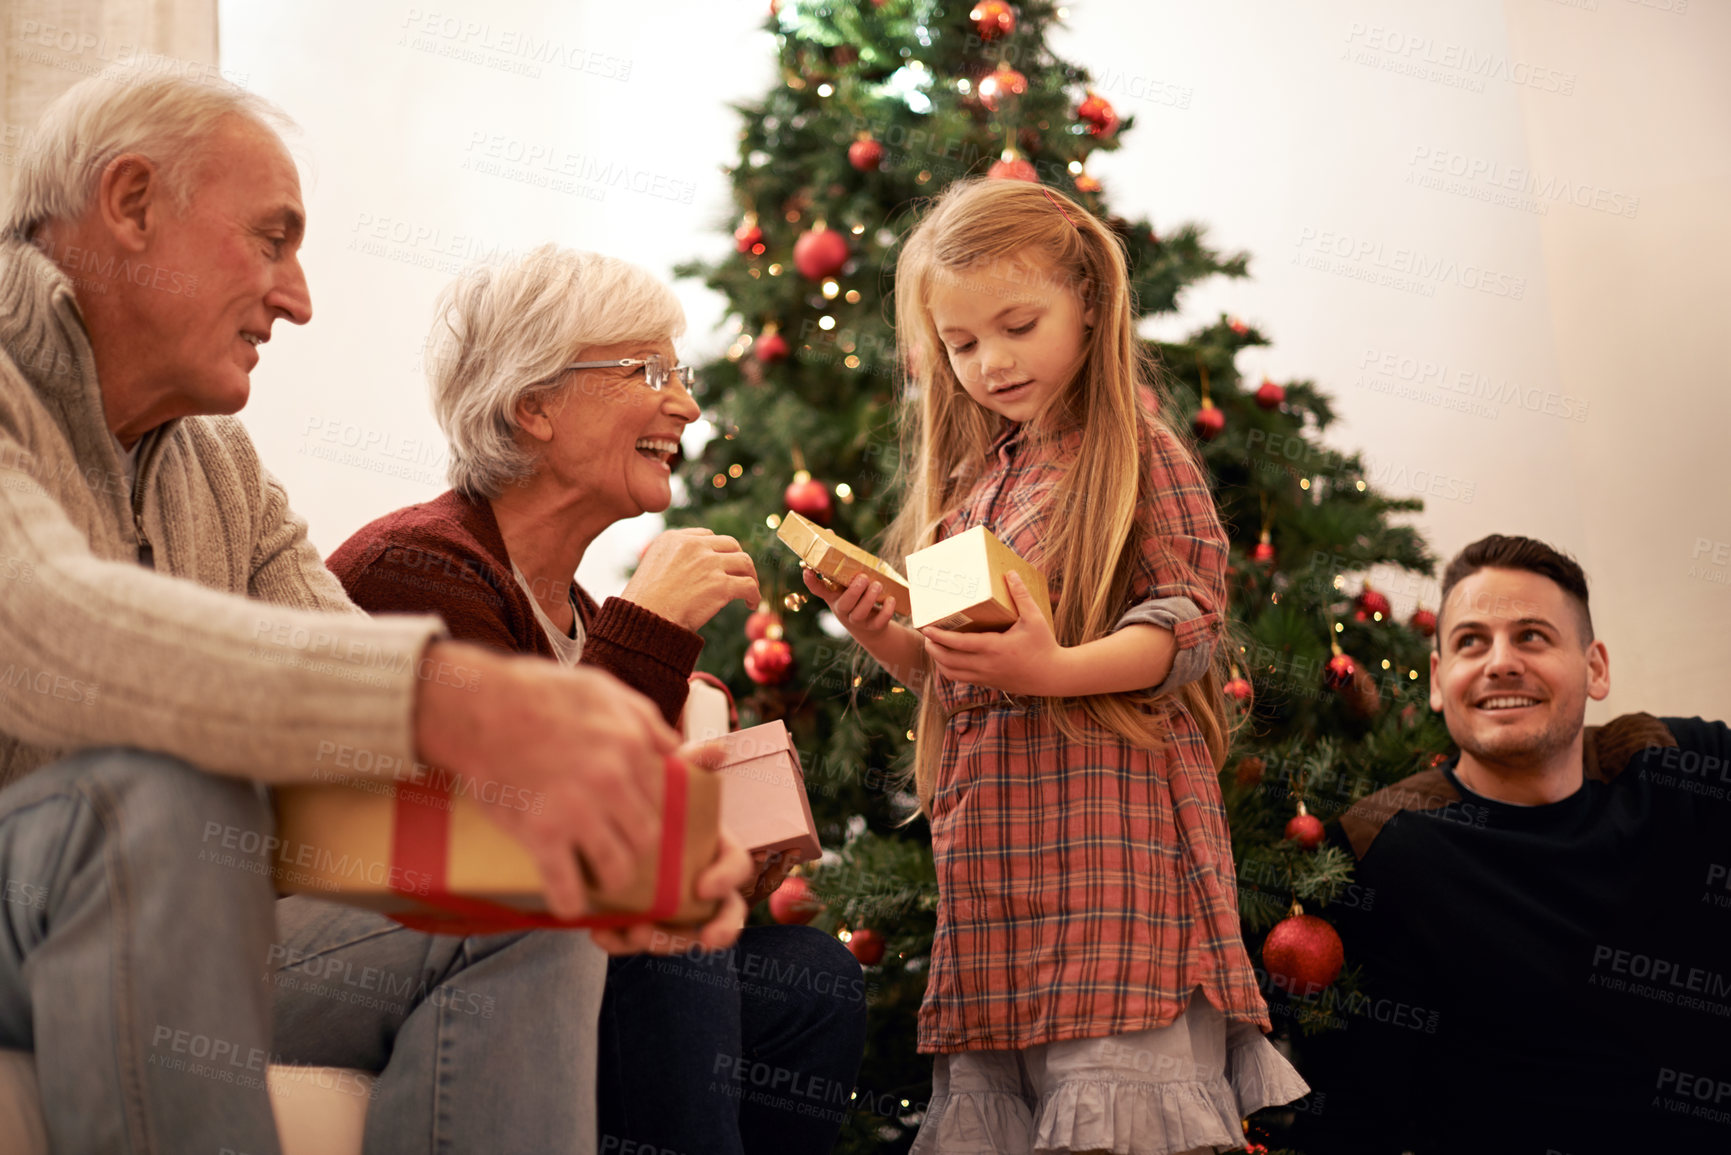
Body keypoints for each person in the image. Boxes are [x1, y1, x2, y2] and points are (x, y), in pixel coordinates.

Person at [0, 74, 747, 1155]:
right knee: (143, 798)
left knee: (536, 923)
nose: (297, 297)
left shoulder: (223, 469)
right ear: (130, 203)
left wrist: (576, 857)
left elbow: (358, 747)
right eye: (270, 240)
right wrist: (451, 695)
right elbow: (44, 623)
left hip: (196, 922)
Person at [326, 244, 869, 1155]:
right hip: (395, 948)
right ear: (532, 404)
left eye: (680, 373)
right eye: (648, 371)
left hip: (574, 946)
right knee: (662, 932)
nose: (687, 405)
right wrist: (649, 625)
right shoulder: (414, 568)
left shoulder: (575, 613)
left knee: (811, 973)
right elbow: (517, 834)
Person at [802, 178, 1308, 1154]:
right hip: (996, 878)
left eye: (1017, 324)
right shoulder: (968, 488)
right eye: (960, 345)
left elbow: (1187, 625)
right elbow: (968, 674)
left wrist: (1053, 668)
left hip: (1113, 865)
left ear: (1087, 302)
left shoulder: (1137, 455)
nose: (989, 362)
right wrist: (883, 634)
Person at [1288, 535, 1731, 1154]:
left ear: (1595, 668)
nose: (1500, 662)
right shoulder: (1380, 846)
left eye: (1532, 636)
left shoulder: (1685, 766)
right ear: (1440, 681)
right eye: (1472, 642)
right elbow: (1358, 1109)